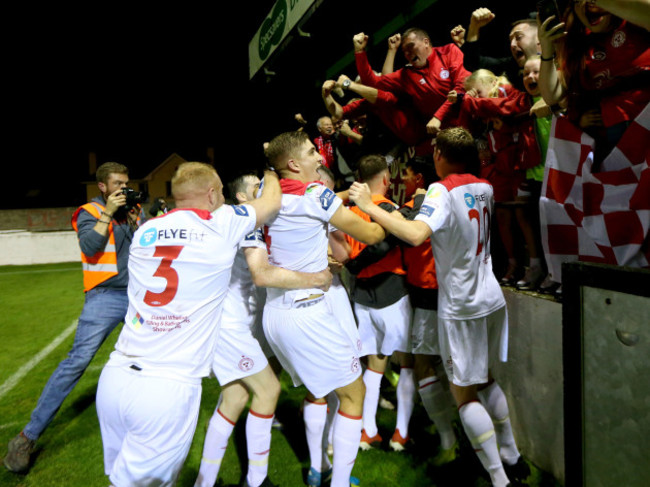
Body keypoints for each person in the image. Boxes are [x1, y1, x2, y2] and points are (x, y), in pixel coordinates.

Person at [349, 128, 529, 487]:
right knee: (486, 377)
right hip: (489, 296)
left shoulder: (440, 190)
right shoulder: (484, 185)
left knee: (464, 393)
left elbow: (415, 234)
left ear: (441, 156)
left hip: (461, 303)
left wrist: (369, 206)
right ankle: (512, 455)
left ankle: (499, 478)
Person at [94, 162, 282, 487]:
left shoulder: (145, 231)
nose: (224, 198)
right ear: (211, 195)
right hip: (165, 387)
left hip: (115, 378)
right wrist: (273, 170)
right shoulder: (221, 223)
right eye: (222, 192)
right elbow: (270, 204)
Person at [262, 131, 386, 487]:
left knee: (321, 389)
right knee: (354, 393)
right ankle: (340, 483)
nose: (319, 156)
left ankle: (320, 469)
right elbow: (371, 235)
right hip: (308, 310)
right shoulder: (316, 195)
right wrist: (378, 208)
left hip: (277, 312)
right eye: (310, 152)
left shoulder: (265, 196)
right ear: (293, 164)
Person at [194, 172, 332, 487]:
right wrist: (314, 278)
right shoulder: (241, 220)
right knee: (268, 390)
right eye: (258, 186)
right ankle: (256, 481)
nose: (266, 190)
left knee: (235, 398)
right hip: (231, 329)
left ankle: (205, 481)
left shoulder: (240, 222)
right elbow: (263, 274)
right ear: (242, 197)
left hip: (233, 326)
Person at [4, 162, 140, 474]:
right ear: (103, 187)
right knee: (76, 362)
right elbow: (90, 248)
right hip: (104, 298)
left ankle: (142, 420)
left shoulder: (129, 212)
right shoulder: (88, 212)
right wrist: (108, 213)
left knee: (153, 354)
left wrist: (140, 217)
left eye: (126, 183)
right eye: (117, 184)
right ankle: (27, 437)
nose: (123, 189)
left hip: (135, 297)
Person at [341, 155, 415, 453]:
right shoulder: (388, 210)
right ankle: (401, 433)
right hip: (392, 292)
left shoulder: (346, 210)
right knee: (407, 361)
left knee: (374, 362)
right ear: (386, 179)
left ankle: (367, 430)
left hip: (362, 297)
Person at [353, 27, 471, 136]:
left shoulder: (448, 51)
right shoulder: (405, 75)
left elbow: (462, 86)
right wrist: (360, 52)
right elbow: (373, 83)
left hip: (471, 118)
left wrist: (437, 117)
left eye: (410, 47)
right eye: (404, 51)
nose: (408, 54)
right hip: (444, 134)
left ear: (426, 42)